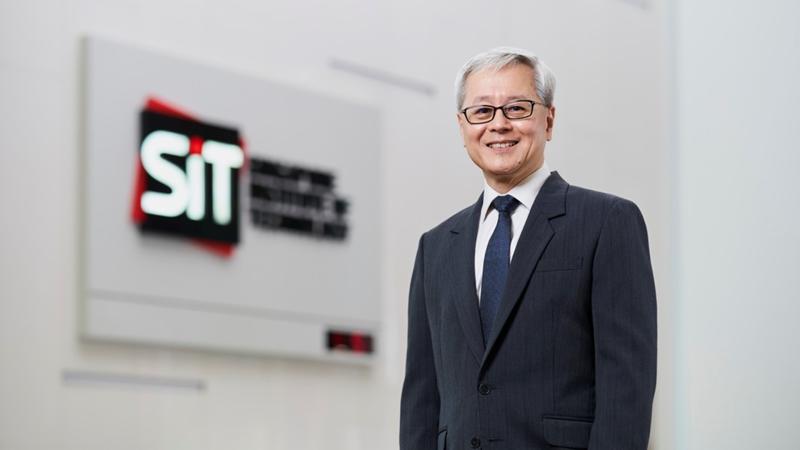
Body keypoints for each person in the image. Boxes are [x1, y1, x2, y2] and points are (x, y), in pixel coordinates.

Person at [399, 47, 657, 450]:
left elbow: (626, 387)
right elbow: (421, 395)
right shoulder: (435, 248)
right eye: (482, 111)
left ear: (548, 120)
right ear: (462, 126)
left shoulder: (607, 222)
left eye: (517, 108)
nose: (499, 124)